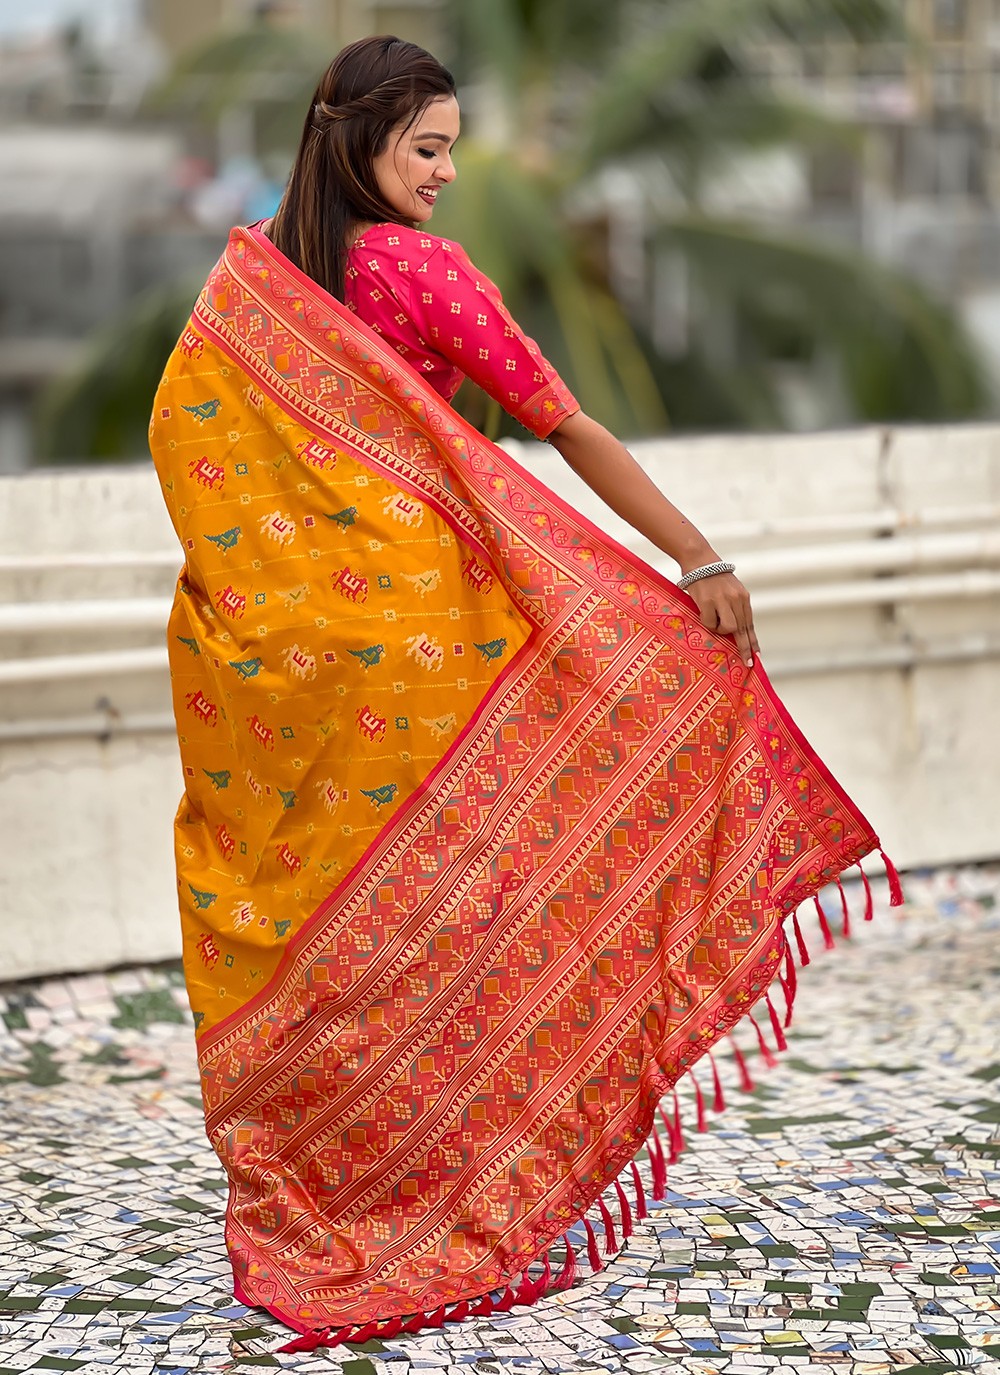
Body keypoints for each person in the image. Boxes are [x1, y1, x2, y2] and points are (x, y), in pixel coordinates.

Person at [149, 34, 897, 1352]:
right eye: (427, 147)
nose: (446, 173)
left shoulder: (251, 281)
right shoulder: (422, 273)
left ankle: (317, 1179)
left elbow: (184, 441)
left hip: (293, 676)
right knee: (454, 912)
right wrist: (697, 556)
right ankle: (434, 1181)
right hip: (428, 668)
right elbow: (564, 423)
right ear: (359, 140)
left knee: (329, 928)